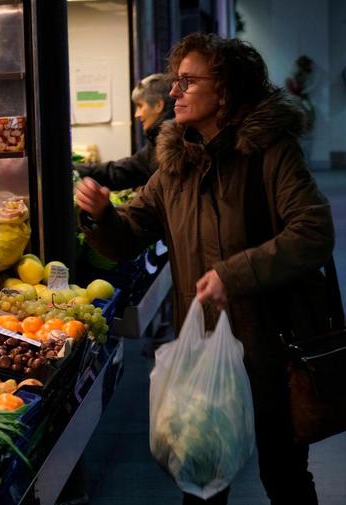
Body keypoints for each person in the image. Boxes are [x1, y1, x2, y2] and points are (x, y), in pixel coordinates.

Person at [76, 33, 334, 505]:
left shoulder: (271, 154)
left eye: (187, 82)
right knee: (201, 476)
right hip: (202, 347)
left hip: (270, 347)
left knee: (285, 475)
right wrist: (102, 216)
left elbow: (313, 231)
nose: (174, 93)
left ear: (225, 91)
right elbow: (129, 237)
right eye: (175, 82)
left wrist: (234, 275)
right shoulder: (175, 164)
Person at [75, 73, 175, 190]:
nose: (137, 114)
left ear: (158, 105)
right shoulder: (156, 144)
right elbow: (120, 171)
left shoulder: (175, 145)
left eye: (140, 106)